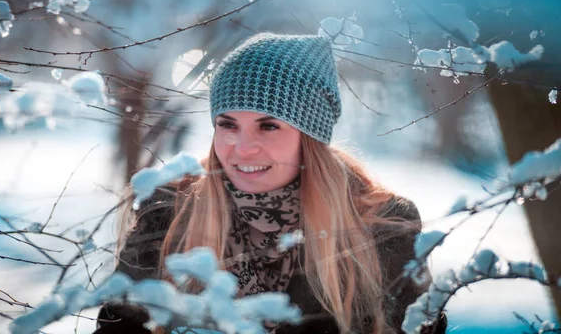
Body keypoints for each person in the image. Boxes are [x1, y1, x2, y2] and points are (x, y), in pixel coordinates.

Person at [94, 33, 447, 334]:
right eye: (228, 124)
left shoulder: (381, 225)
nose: (243, 149)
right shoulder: (168, 213)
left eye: (268, 125)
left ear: (309, 137)